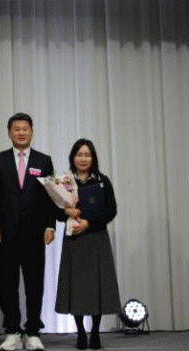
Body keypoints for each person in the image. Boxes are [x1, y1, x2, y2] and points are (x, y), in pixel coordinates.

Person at [0, 113, 56, 351]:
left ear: (32, 131)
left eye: (25, 128)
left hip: (35, 233)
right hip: (6, 233)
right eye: (16, 129)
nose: (21, 133)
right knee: (7, 285)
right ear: (9, 133)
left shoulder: (43, 160)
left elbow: (51, 197)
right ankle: (13, 331)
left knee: (35, 285)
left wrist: (50, 225)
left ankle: (33, 331)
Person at [56, 139, 121, 351]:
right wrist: (66, 211)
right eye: (79, 155)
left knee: (96, 287)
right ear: (72, 157)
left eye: (87, 155)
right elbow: (56, 212)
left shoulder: (102, 181)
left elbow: (111, 210)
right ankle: (81, 332)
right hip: (74, 239)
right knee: (76, 287)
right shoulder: (64, 182)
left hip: (96, 238)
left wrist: (89, 223)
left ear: (93, 158)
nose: (83, 159)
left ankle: (94, 332)